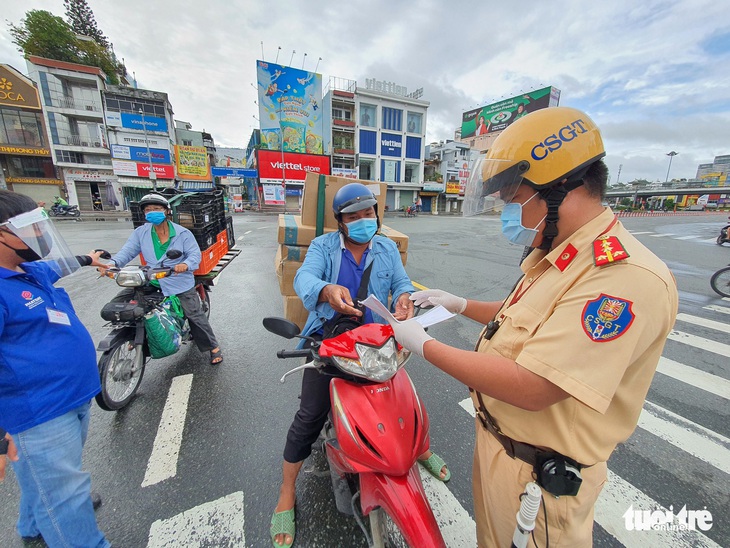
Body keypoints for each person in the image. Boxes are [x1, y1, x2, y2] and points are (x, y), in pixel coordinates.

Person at [389, 107, 678, 547]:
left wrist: (423, 344)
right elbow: (514, 319)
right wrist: (460, 303)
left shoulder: (622, 277)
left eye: (513, 199)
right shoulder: (561, 252)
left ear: (562, 189)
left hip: (540, 479)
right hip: (501, 450)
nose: (510, 213)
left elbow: (534, 386)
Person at [270, 183, 451, 547]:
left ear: (376, 215)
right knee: (310, 414)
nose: (362, 221)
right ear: (340, 222)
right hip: (328, 340)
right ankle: (287, 491)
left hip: (375, 342)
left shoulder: (385, 247)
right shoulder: (323, 247)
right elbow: (305, 277)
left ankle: (420, 449)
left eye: (368, 214)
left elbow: (401, 282)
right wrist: (325, 291)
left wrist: (403, 298)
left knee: (403, 400)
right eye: (353, 217)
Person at [0, 190, 110, 547]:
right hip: (39, 410)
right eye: (30, 227)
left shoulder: (25, 269)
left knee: (47, 479)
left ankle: (33, 524)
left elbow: (56, 267)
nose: (40, 235)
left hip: (71, 397)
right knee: (66, 494)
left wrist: (89, 258)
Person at [99, 193, 223, 364]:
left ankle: (213, 347)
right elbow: (127, 251)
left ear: (166, 211)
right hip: (152, 279)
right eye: (148, 210)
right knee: (122, 304)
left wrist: (185, 265)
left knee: (194, 315)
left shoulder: (182, 233)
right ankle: (133, 336)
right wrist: (111, 265)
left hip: (178, 280)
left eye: (156, 209)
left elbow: (194, 255)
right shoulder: (141, 232)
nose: (152, 213)